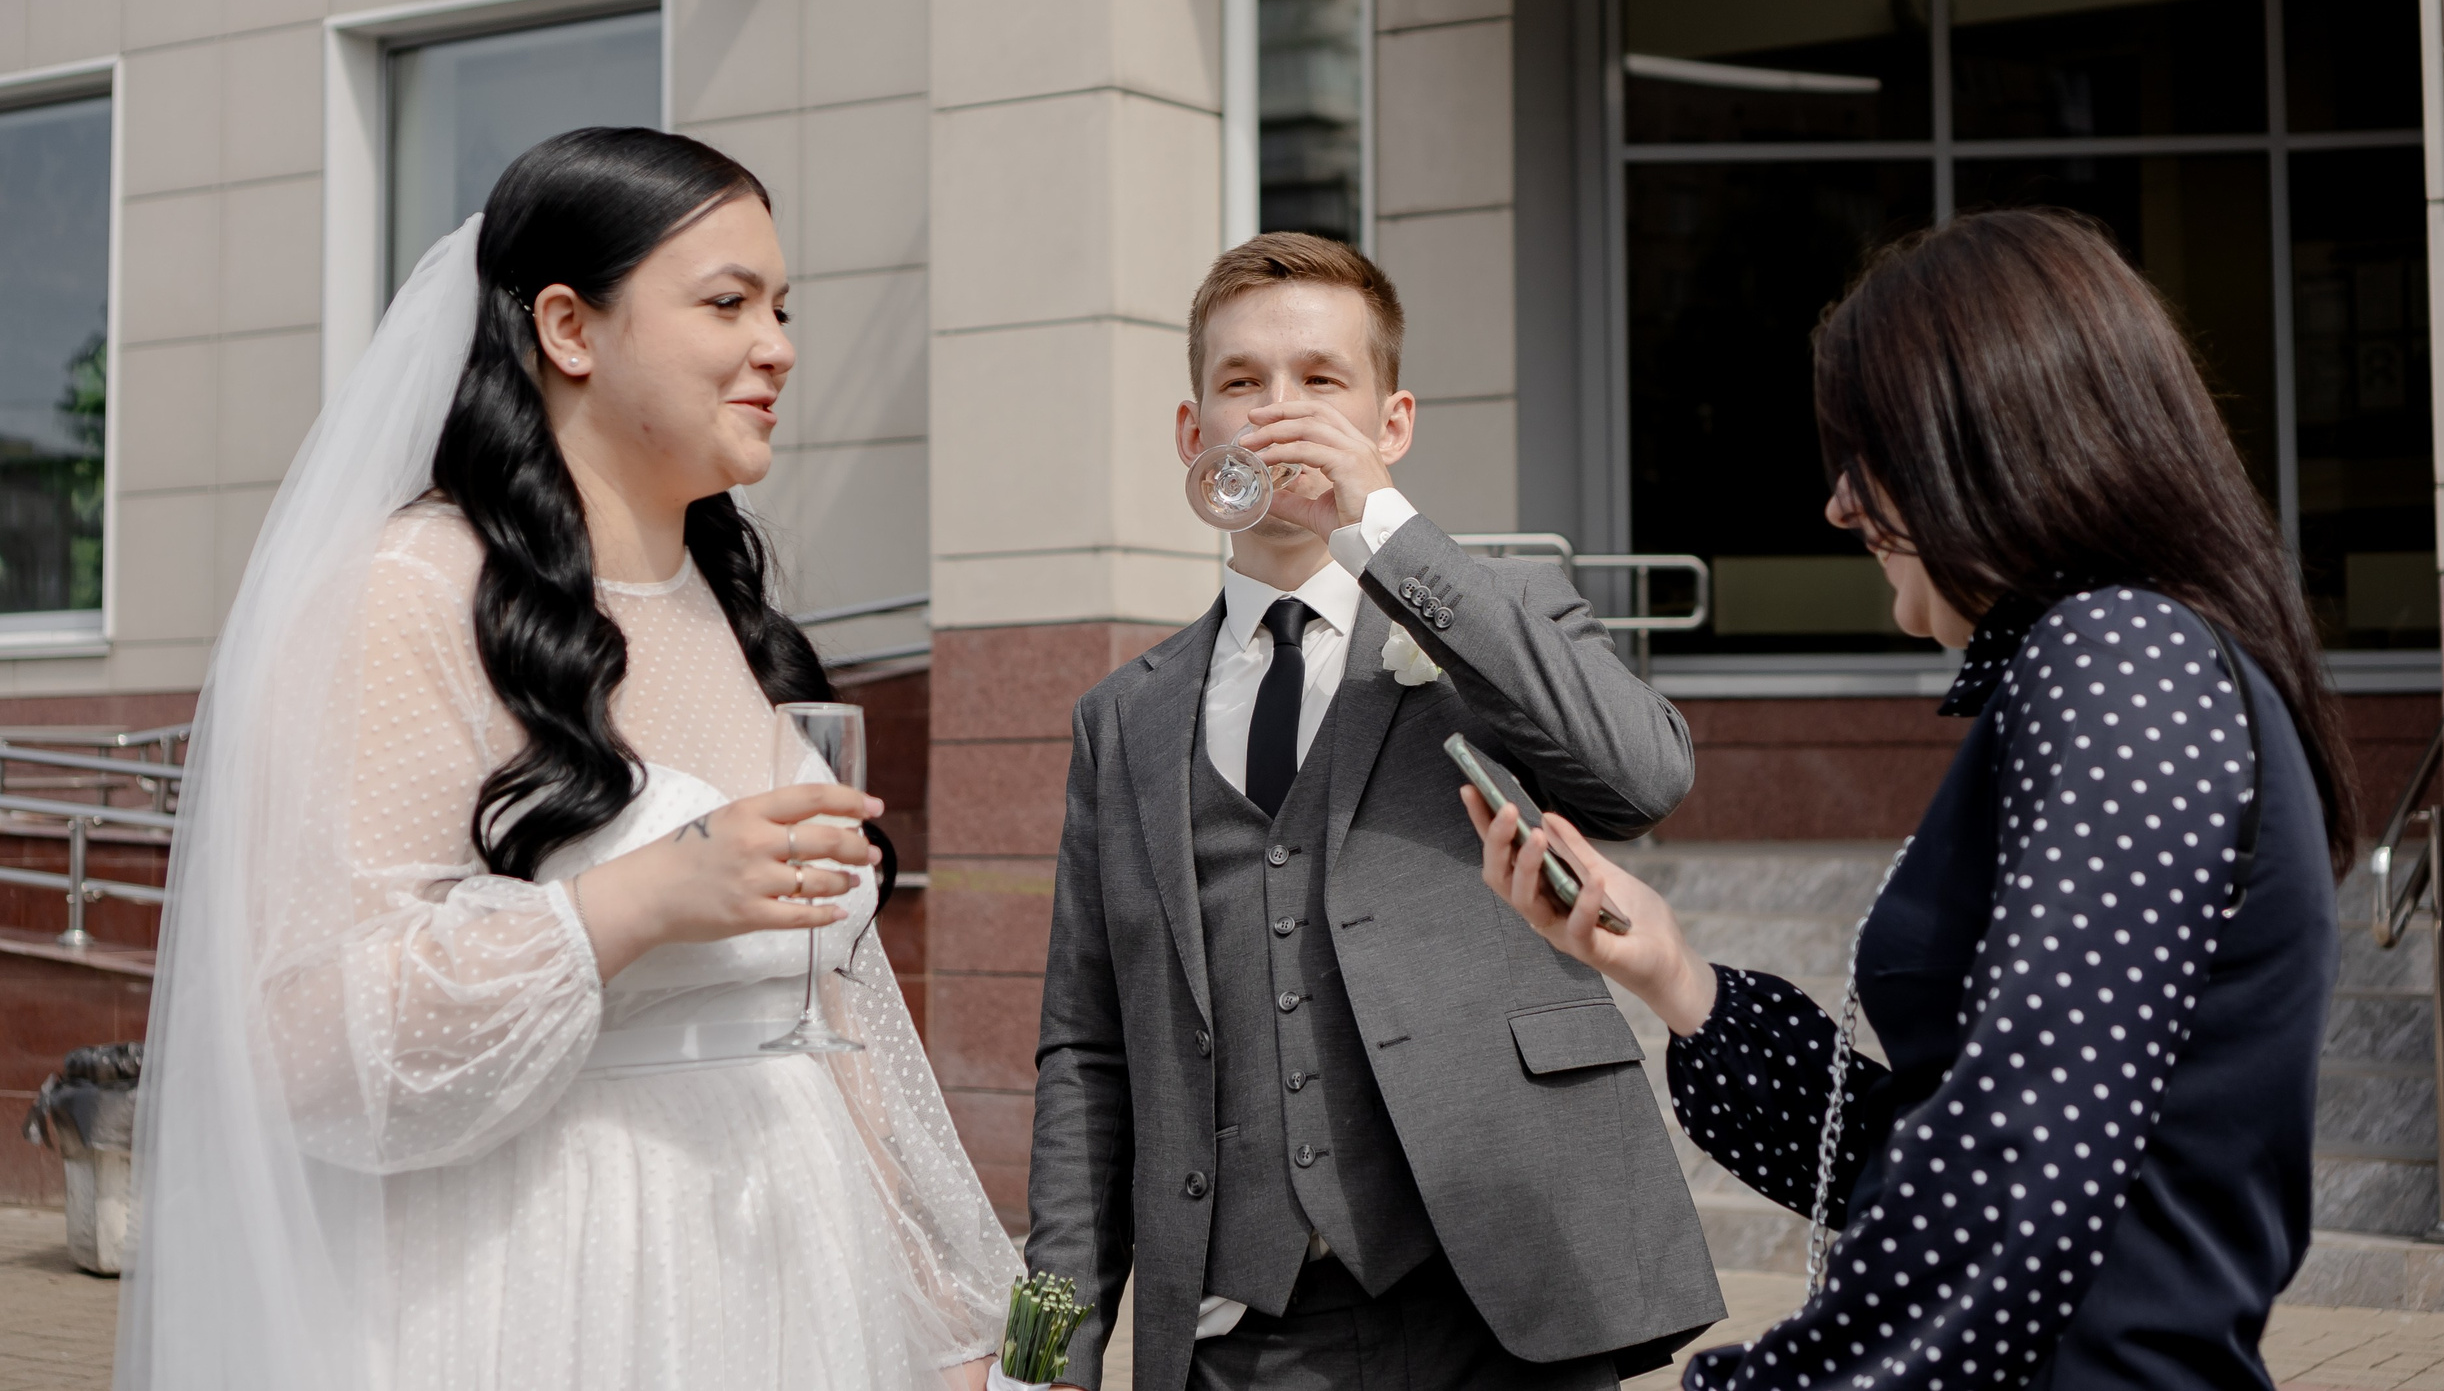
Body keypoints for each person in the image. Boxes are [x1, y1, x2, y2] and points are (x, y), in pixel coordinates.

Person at [118, 129, 1020, 1391]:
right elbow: (306, 1047)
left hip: (801, 1282)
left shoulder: (739, 617)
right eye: (727, 302)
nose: (779, 345)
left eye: (782, 306)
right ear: (569, 328)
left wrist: (942, 1314)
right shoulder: (412, 594)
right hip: (556, 1283)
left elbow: (836, 1009)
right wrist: (634, 904)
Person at [1468, 208, 2352, 1391]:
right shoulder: (2110, 659)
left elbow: (2016, 1171)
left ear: (1986, 442)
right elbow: (1931, 1150)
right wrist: (1678, 981)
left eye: (1865, 456)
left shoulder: (2120, 656)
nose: (1839, 507)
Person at [1025, 233, 1724, 1391]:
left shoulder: (1494, 623)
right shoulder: (1120, 721)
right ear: (1195, 437)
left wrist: (1386, 531)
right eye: (1242, 384)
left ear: (1389, 424)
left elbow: (1644, 777)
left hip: (1512, 1301)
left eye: (1319, 381)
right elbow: (1083, 1058)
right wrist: (1036, 1358)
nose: (1278, 413)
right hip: (1247, 1338)